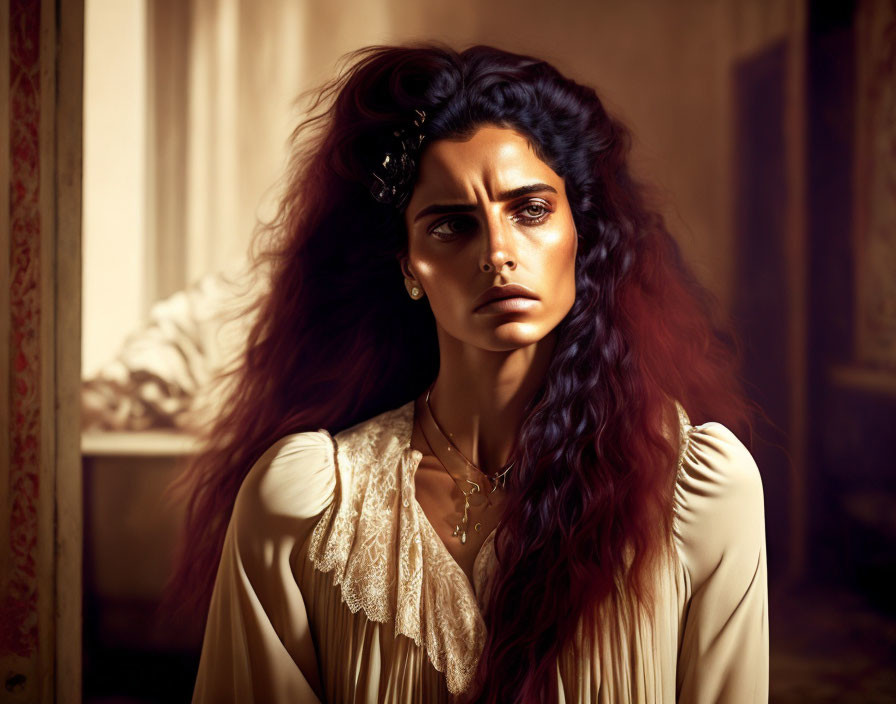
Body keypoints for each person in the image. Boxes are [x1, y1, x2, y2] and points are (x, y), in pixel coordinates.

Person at [163, 41, 769, 703]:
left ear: (582, 232)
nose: (499, 254)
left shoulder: (697, 492)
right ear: (407, 264)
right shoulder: (304, 505)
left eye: (531, 210)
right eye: (453, 225)